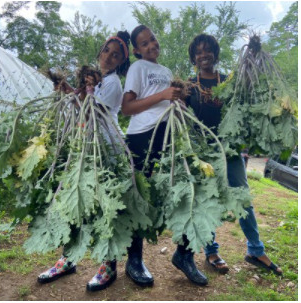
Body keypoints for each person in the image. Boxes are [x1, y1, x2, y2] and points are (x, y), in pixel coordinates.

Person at [37, 30, 132, 291]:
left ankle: (108, 265)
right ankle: (68, 258)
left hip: (106, 149)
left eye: (116, 55)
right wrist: (69, 90)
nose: (109, 57)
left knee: (105, 206)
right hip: (85, 147)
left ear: (121, 61)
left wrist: (84, 92)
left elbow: (94, 113)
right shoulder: (97, 81)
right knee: (73, 202)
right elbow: (82, 106)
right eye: (107, 51)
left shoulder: (112, 84)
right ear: (100, 51)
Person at [186, 33, 283, 276]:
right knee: (208, 202)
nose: (203, 55)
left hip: (229, 150)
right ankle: (211, 252)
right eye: (198, 52)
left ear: (215, 54)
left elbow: (245, 100)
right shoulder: (189, 84)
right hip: (203, 152)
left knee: (243, 198)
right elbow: (180, 114)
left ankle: (255, 250)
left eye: (207, 50)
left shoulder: (229, 81)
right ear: (193, 58)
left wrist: (253, 55)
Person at [121, 24, 208, 287]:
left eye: (153, 40)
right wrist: (163, 94)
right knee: (141, 197)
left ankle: (184, 255)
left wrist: (178, 100)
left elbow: (168, 102)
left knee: (181, 191)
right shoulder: (138, 68)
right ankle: (134, 260)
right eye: (144, 44)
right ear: (137, 50)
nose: (151, 46)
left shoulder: (166, 71)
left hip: (168, 134)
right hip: (141, 136)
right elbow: (127, 108)